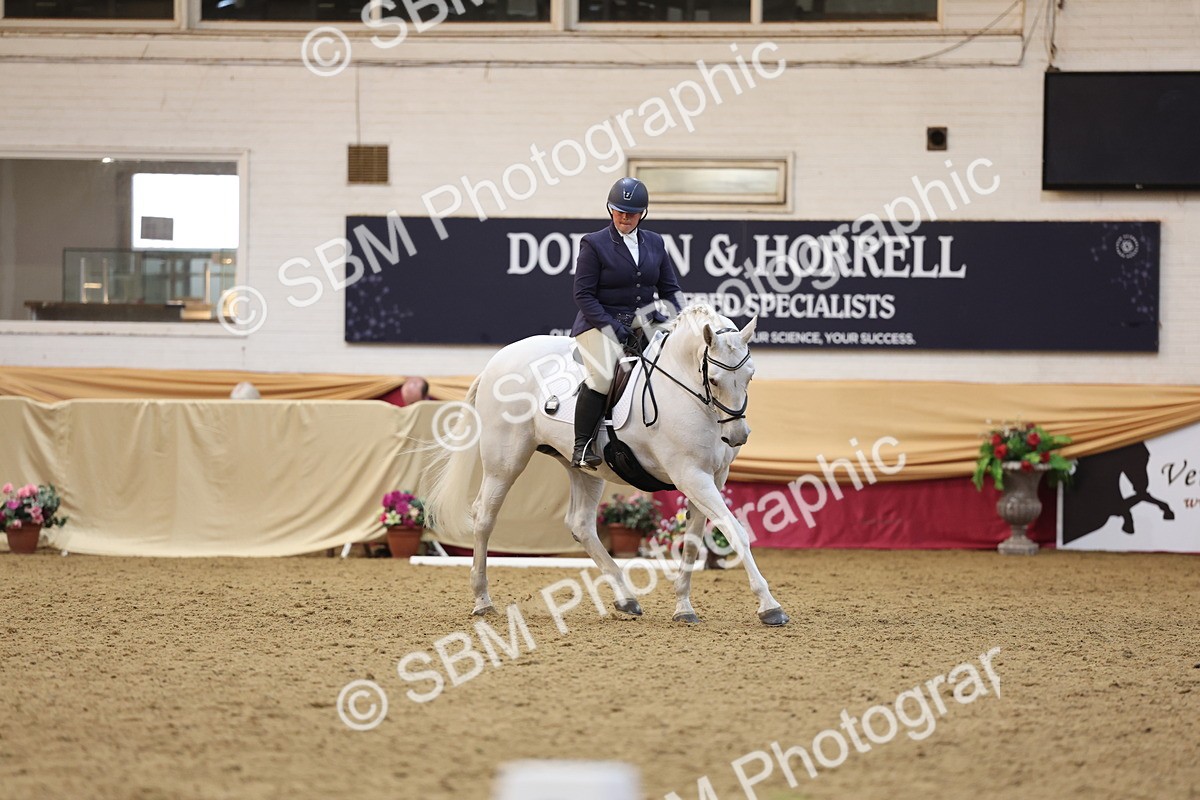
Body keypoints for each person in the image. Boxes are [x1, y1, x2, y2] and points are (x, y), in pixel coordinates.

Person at [570, 176, 684, 469]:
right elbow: (583, 295)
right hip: (599, 321)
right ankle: (582, 446)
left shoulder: (655, 242)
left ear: (642, 214)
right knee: (603, 377)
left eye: (631, 213)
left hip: (644, 320)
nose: (624, 217)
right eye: (619, 210)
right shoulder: (594, 244)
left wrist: (679, 321)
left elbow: (669, 289)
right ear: (610, 209)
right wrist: (613, 328)